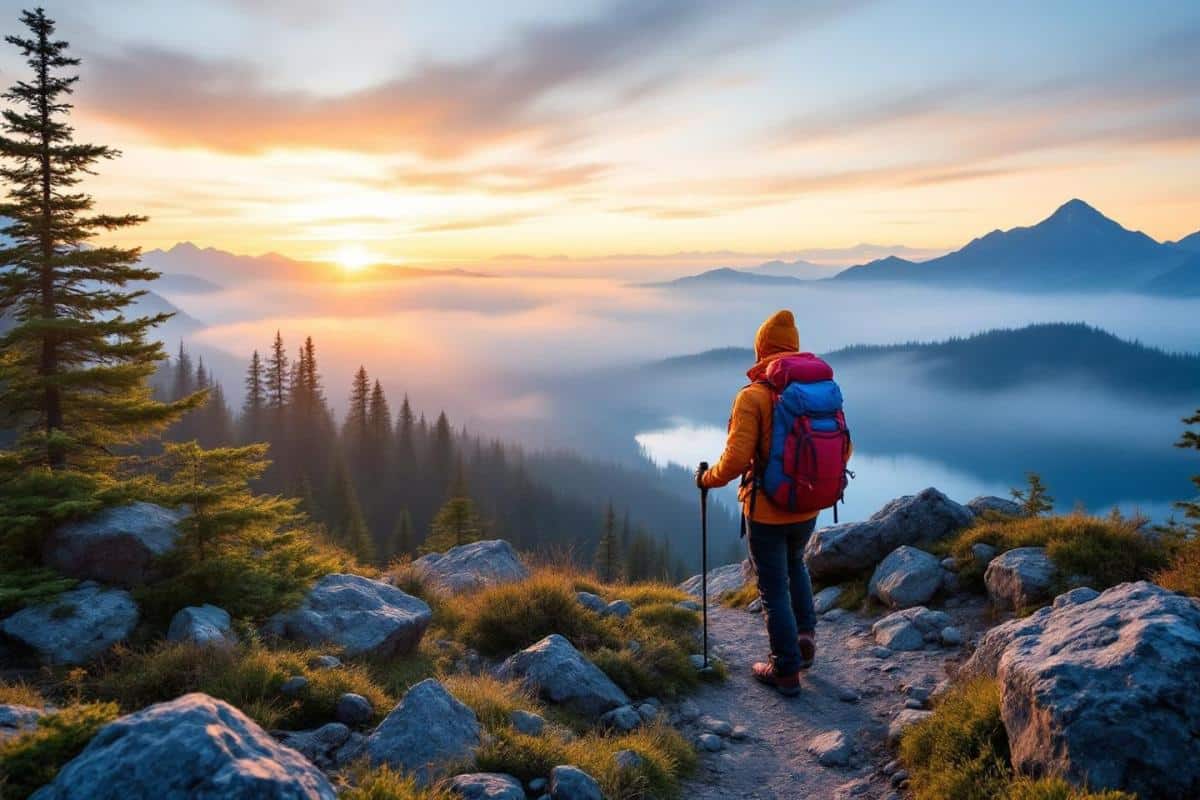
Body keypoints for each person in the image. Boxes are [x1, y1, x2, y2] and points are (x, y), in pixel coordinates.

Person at [695, 309, 847, 695]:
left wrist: (706, 479)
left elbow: (735, 461)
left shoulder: (754, 396)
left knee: (772, 587)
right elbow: (844, 448)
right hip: (808, 505)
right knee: (797, 566)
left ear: (761, 349)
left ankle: (784, 669)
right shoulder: (821, 393)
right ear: (793, 348)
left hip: (767, 508)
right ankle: (804, 640)